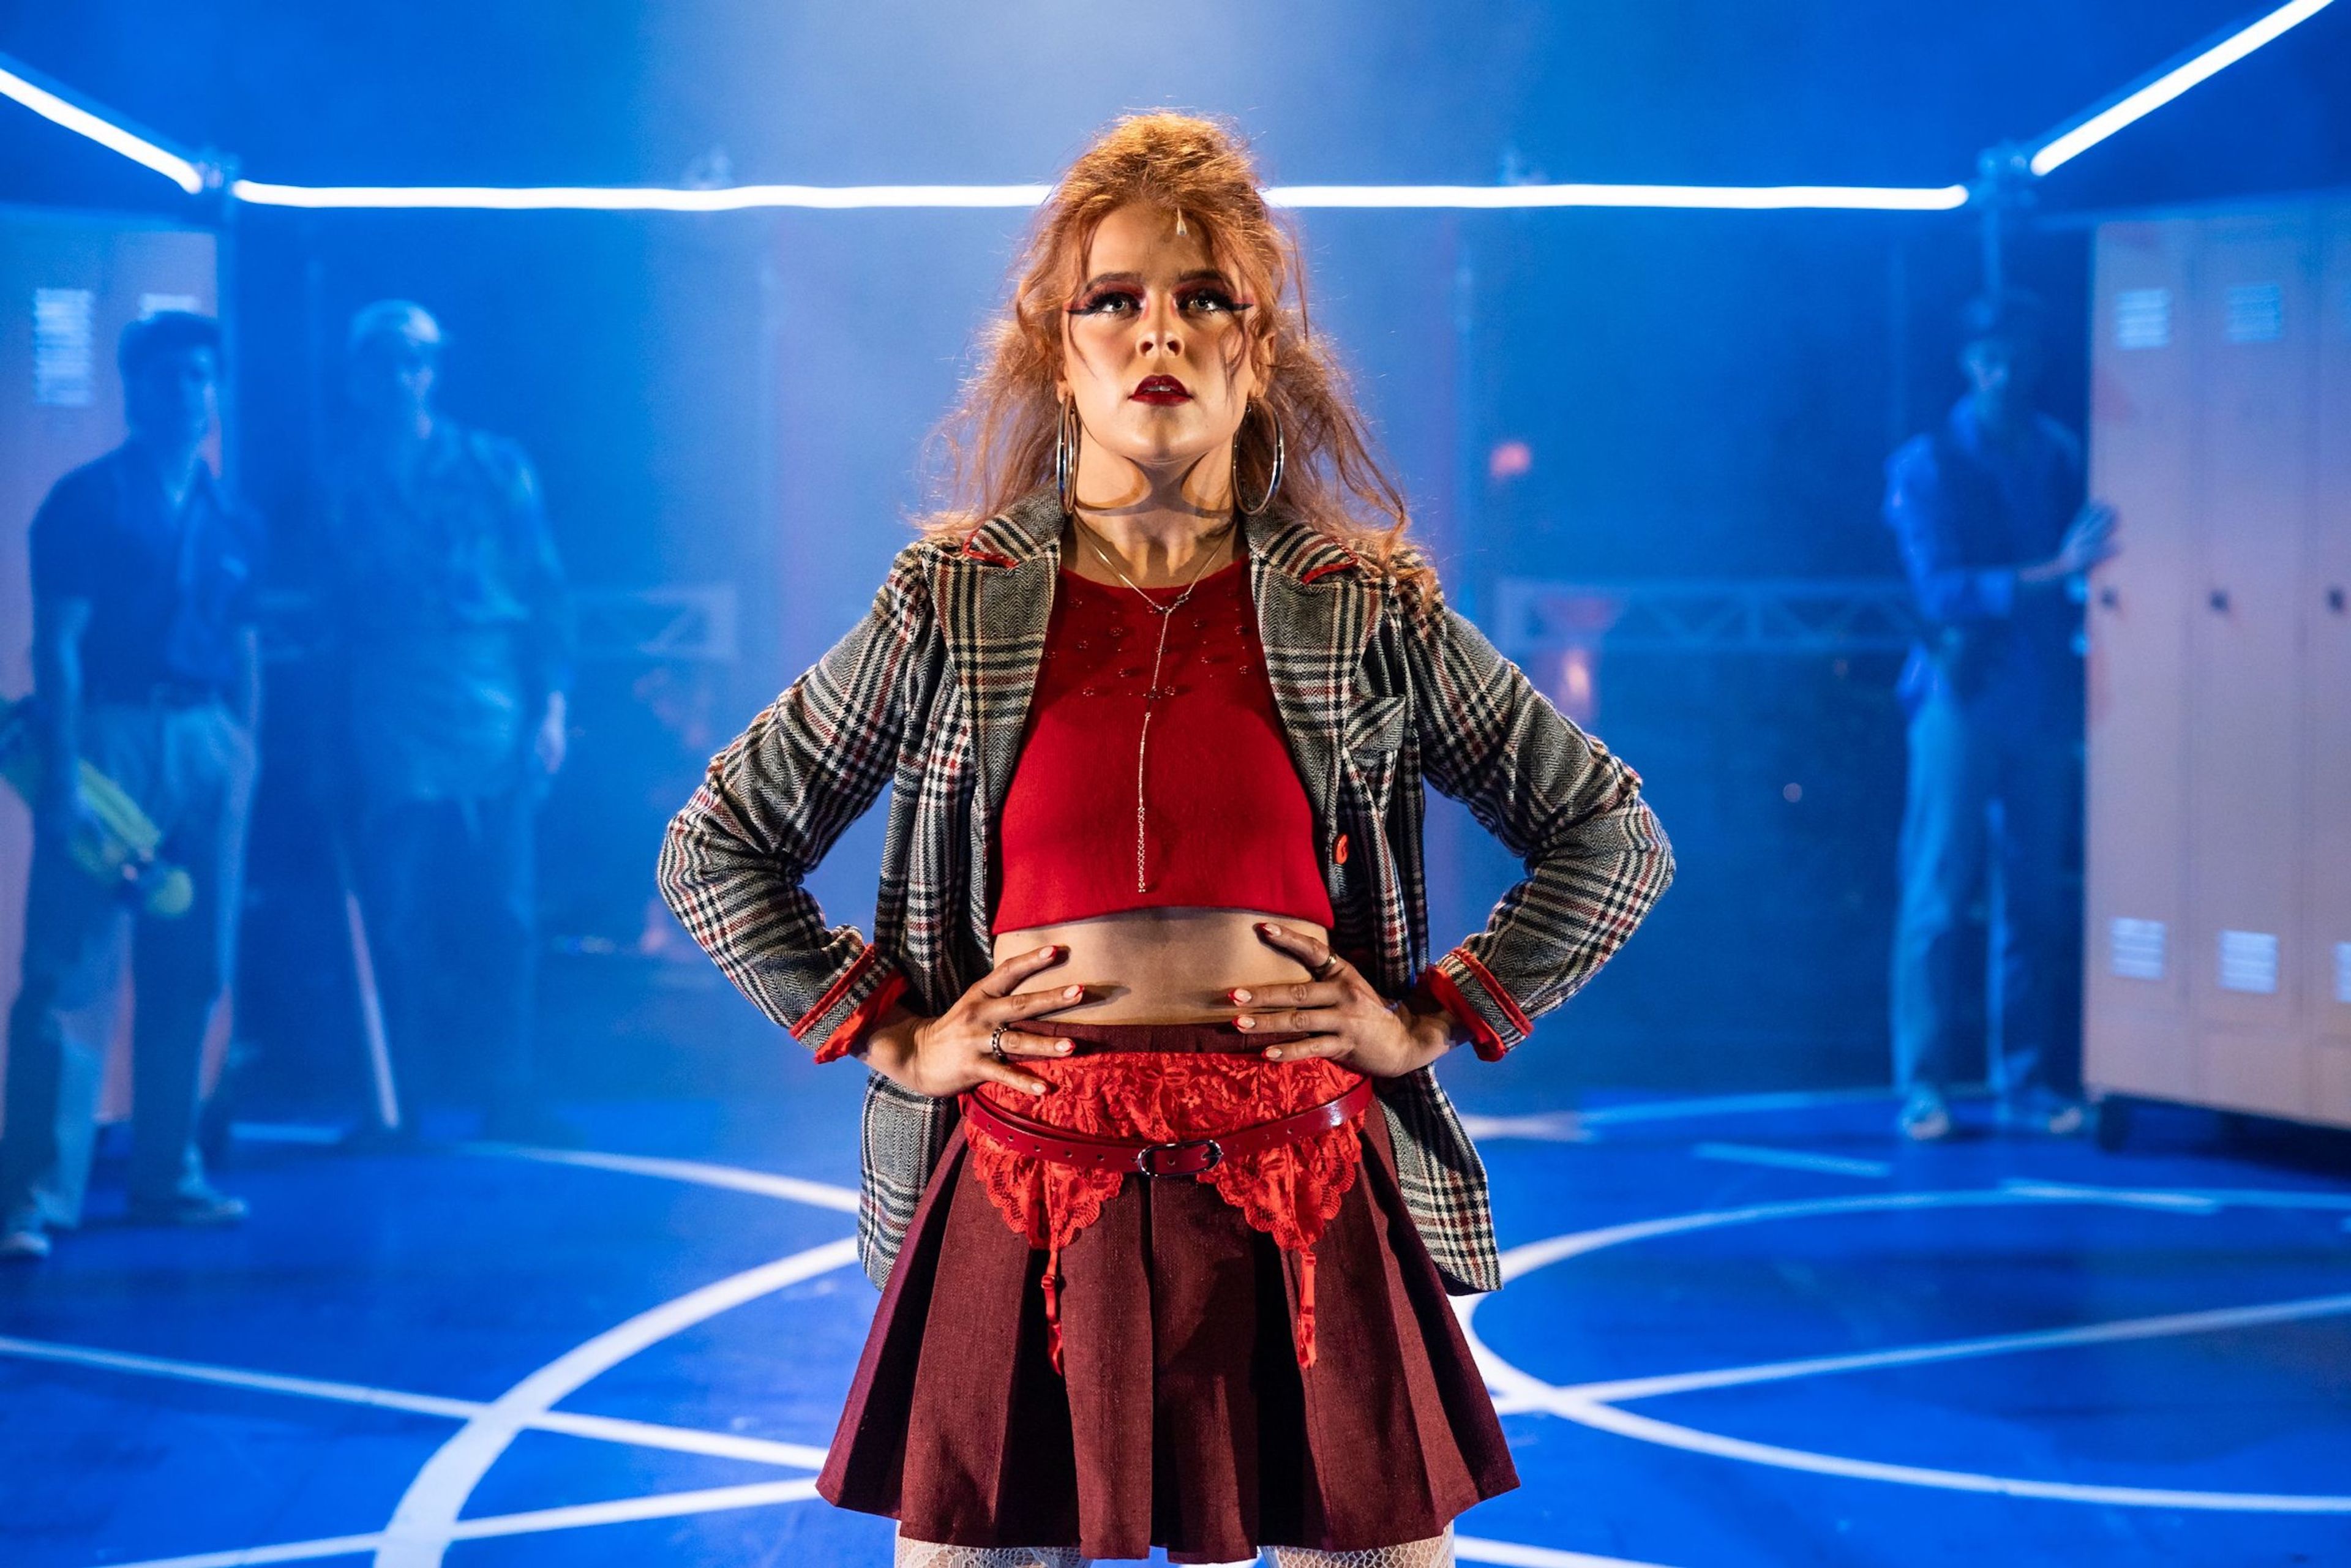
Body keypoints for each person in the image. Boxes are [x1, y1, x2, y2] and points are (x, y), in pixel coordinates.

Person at [661, 114, 1674, 1567]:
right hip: (1017, 1177)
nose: (1163, 332)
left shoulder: (1361, 604)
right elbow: (719, 845)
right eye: (1115, 298)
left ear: (1260, 353)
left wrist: (1429, 1018)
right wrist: (896, 1040)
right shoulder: (950, 599)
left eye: (1209, 300)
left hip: (1306, 1178)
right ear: (1053, 346)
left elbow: (1609, 832)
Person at [1, 312, 263, 1261]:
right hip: (111, 731)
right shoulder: (86, 501)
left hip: (206, 736)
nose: (185, 392)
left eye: (200, 375)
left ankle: (168, 1172)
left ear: (213, 392)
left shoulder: (234, 513)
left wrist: (247, 755)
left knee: (196, 964)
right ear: (133, 389)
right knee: (71, 968)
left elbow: (244, 647)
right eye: (166, 376)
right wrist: (64, 774)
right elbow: (59, 648)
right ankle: (33, 1197)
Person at [323, 302, 574, 1146]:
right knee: (395, 911)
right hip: (390, 694)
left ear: (435, 370)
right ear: (359, 376)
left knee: (504, 909)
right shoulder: (338, 479)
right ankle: (395, 1098)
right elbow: (324, 616)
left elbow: (544, 592)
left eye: (416, 362)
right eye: (386, 363)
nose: (402, 378)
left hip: (488, 688)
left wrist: (551, 706)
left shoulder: (493, 465)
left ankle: (513, 1087)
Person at [1883, 291, 2118, 1143]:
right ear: (1968, 363)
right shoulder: (1927, 461)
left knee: (2034, 897)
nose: (2005, 372)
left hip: (2043, 694)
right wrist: (2051, 572)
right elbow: (1937, 587)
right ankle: (1923, 1085)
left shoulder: (2060, 451)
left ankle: (2024, 1079)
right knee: (1940, 892)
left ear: (2036, 361)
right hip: (1958, 693)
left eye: (2017, 356)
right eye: (1990, 357)